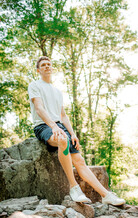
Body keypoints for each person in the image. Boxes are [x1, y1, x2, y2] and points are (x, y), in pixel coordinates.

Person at [28, 56, 125, 206]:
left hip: (59, 125)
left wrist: (73, 133)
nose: (47, 66)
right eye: (43, 65)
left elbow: (63, 116)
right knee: (62, 140)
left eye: (49, 64)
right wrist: (53, 126)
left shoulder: (57, 91)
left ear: (52, 68)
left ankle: (106, 195)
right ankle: (74, 187)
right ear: (38, 70)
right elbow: (39, 109)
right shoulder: (34, 85)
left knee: (79, 160)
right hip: (44, 126)